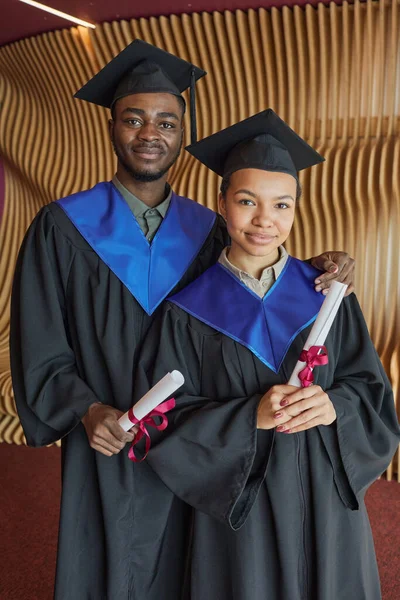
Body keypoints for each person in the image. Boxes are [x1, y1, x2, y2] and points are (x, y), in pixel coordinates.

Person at [10, 37, 356, 599]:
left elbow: (256, 276)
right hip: (112, 434)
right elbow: (39, 342)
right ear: (112, 126)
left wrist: (317, 267)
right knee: (110, 562)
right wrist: (86, 409)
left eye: (167, 122)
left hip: (203, 439)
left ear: (184, 132)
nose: (151, 133)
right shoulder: (61, 228)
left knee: (198, 566)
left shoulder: (211, 227)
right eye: (134, 118)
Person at [132, 109, 400, 600]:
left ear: (297, 208)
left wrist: (333, 406)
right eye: (247, 201)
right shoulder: (186, 312)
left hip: (325, 498)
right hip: (243, 506)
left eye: (282, 205)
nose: (264, 221)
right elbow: (163, 423)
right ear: (222, 204)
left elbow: (371, 392)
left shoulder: (329, 295)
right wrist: (246, 417)